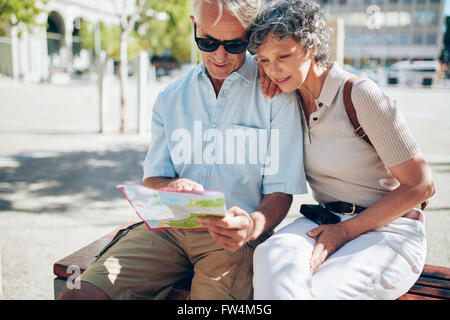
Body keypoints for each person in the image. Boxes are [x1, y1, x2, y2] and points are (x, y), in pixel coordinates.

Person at [58, 0, 307, 300]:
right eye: (207, 41)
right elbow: (154, 180)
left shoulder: (275, 95)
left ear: (251, 37)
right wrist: (171, 186)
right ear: (193, 27)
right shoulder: (170, 97)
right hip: (169, 229)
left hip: (233, 241)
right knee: (77, 295)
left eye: (234, 44)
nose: (219, 55)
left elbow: (280, 193)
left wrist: (252, 227)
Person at [248, 0, 435, 299]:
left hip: (389, 231)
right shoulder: (287, 98)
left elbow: (422, 185)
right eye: (264, 60)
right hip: (325, 221)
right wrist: (267, 74)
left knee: (323, 292)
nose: (274, 69)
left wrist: (347, 232)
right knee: (270, 258)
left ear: (311, 47)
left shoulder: (359, 93)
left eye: (284, 55)